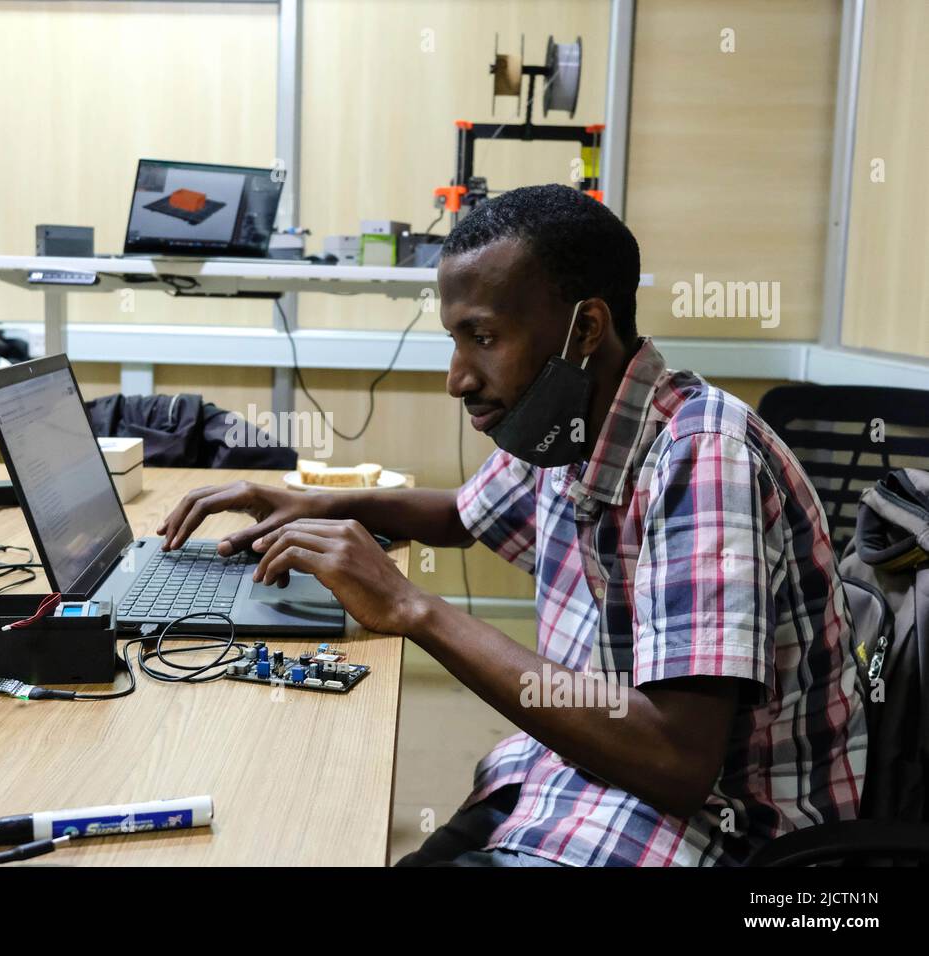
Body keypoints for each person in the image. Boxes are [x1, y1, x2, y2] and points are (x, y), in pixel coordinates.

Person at [156, 184, 867, 867]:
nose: (457, 378)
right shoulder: (570, 415)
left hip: (713, 829)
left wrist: (411, 607)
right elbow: (462, 515)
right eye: (454, 340)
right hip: (578, 779)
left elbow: (675, 759)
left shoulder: (703, 457)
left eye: (483, 337)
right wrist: (316, 503)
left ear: (585, 328)